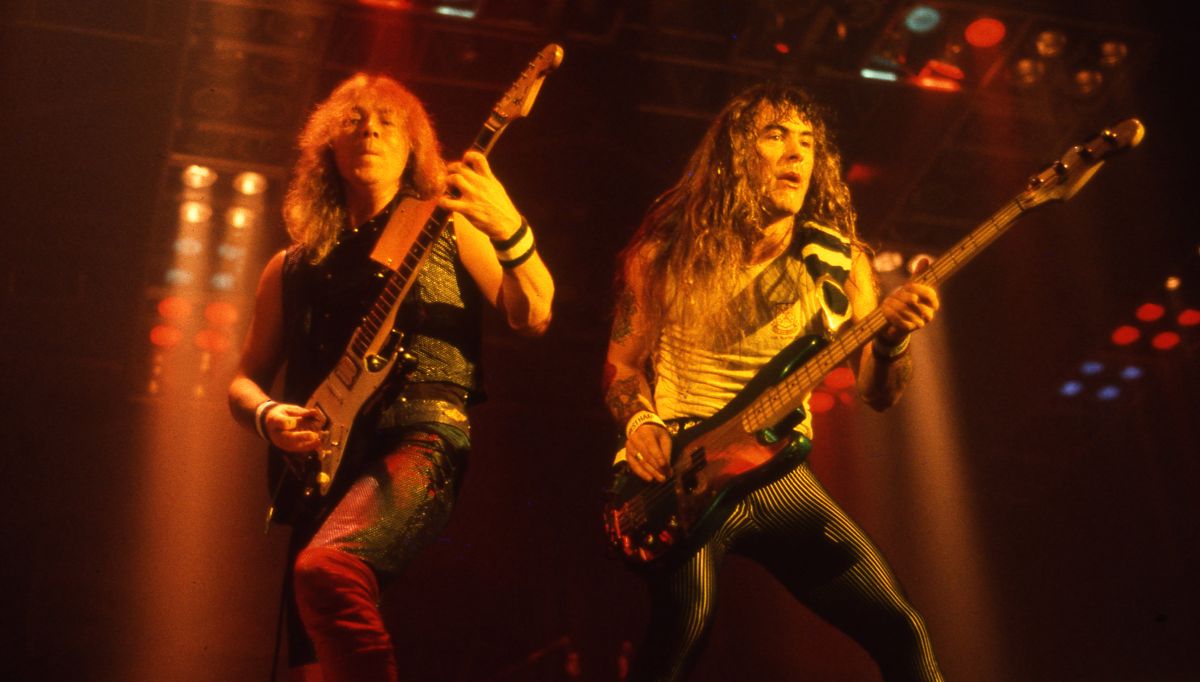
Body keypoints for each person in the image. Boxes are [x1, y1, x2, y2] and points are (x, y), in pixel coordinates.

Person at [603, 82, 943, 681]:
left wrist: (892, 339)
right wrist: (640, 422)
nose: (796, 153)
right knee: (684, 631)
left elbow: (878, 394)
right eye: (775, 135)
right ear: (736, 155)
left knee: (903, 629)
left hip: (779, 475)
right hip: (684, 471)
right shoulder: (663, 255)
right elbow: (622, 367)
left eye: (807, 141)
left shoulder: (840, 263)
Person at [228, 73, 553, 681]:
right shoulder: (289, 266)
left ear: (413, 147)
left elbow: (532, 314)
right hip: (322, 463)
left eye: (387, 122)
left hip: (419, 436)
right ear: (328, 145)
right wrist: (268, 417)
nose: (370, 131)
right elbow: (244, 379)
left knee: (327, 569)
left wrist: (510, 229)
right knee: (311, 661)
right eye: (353, 121)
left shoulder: (445, 225)